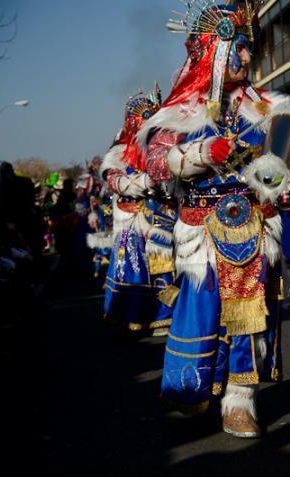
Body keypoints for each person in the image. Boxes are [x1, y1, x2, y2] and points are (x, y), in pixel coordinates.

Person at [139, 1, 290, 438]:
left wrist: (270, 178)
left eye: (249, 48)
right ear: (214, 50)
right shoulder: (180, 112)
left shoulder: (267, 108)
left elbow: (279, 167)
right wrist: (197, 155)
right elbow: (154, 162)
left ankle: (239, 401)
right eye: (240, 48)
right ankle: (195, 387)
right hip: (202, 230)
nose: (248, 58)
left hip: (252, 226)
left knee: (251, 315)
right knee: (204, 309)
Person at [98, 86, 176, 336]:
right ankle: (131, 318)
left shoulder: (162, 147)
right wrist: (143, 183)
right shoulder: (120, 151)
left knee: (165, 268)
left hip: (162, 217)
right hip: (132, 220)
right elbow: (112, 179)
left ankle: (163, 317)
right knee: (132, 269)